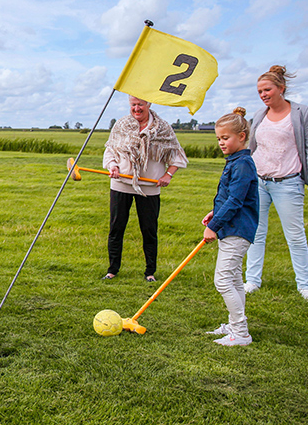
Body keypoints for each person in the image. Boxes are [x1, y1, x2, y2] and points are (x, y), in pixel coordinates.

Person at [102, 96, 188, 282]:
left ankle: (150, 272)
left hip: (149, 187)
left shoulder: (163, 128)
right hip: (121, 185)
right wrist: (113, 166)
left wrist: (168, 175)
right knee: (116, 228)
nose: (136, 108)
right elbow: (110, 150)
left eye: (140, 104)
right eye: (133, 104)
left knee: (149, 230)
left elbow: (176, 155)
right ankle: (112, 270)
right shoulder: (122, 125)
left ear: (149, 104)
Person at [244, 66, 308, 300]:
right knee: (255, 233)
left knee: (295, 235)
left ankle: (305, 284)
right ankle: (252, 280)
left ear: (281, 88)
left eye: (267, 89)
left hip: (288, 183)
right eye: (260, 91)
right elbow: (254, 147)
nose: (263, 94)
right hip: (259, 182)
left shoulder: (301, 113)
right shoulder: (260, 115)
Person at [202, 108, 259, 346]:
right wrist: (216, 213)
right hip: (231, 227)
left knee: (223, 279)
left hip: (238, 230)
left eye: (225, 138)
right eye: (218, 138)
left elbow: (236, 201)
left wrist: (214, 226)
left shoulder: (243, 163)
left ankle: (241, 333)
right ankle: (233, 325)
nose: (221, 143)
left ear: (242, 136)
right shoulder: (235, 161)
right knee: (234, 278)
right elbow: (234, 197)